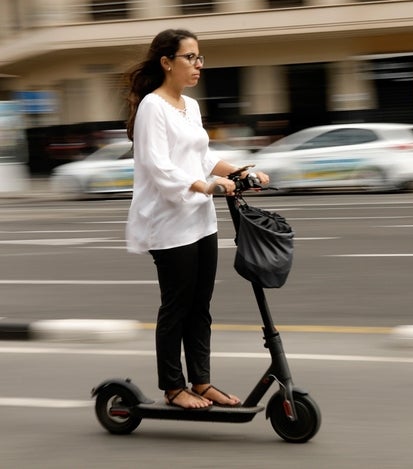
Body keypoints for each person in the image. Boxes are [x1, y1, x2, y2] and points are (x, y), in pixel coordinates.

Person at [124, 29, 269, 410]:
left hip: (200, 222)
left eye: (200, 57)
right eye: (190, 57)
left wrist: (239, 172)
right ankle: (173, 387)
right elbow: (158, 166)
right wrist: (206, 187)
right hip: (169, 224)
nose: (198, 65)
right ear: (166, 62)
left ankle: (201, 382)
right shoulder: (152, 107)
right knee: (177, 306)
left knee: (200, 306)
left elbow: (202, 158)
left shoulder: (190, 106)